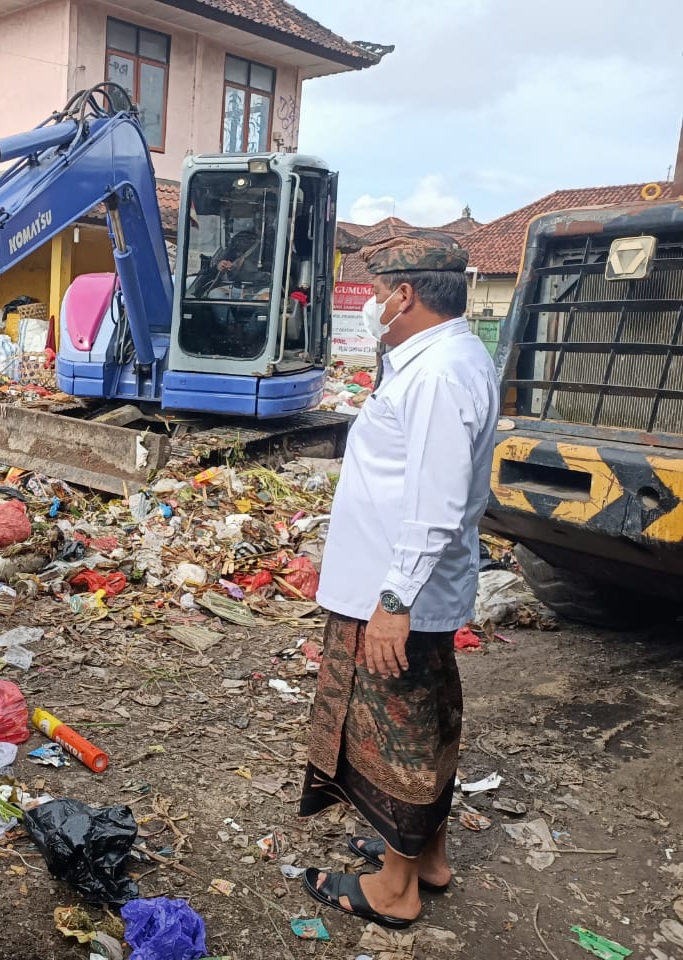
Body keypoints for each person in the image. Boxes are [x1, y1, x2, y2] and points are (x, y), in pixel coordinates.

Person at [297, 236, 499, 930]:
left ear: (406, 294)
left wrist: (392, 603)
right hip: (410, 591)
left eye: (379, 289)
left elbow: (436, 502)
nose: (374, 303)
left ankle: (393, 891)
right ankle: (426, 856)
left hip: (396, 598)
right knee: (431, 721)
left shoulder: (438, 373)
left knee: (398, 736)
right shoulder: (444, 359)